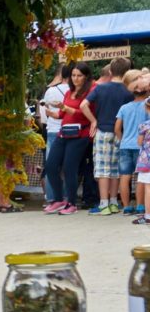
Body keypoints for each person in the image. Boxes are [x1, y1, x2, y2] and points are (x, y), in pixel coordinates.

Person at [83, 58, 134, 214]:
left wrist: (93, 120)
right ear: (127, 72)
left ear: (110, 71)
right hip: (121, 134)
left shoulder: (100, 88)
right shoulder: (128, 91)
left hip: (102, 132)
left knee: (103, 169)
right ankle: (113, 201)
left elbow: (83, 105)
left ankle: (103, 203)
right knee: (116, 170)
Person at [43, 62, 95, 215]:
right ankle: (58, 200)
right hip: (63, 132)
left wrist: (65, 108)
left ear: (86, 77)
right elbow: (62, 114)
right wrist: (52, 113)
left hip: (80, 134)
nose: (76, 78)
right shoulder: (68, 92)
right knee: (51, 166)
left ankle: (71, 203)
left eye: (79, 75)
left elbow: (84, 114)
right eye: (73, 75)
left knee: (69, 168)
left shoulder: (90, 92)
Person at [114, 71, 147, 214]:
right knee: (141, 176)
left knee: (125, 176)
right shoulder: (147, 105)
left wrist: (123, 139)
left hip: (125, 145)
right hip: (142, 146)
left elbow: (117, 128)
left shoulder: (124, 107)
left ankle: (126, 206)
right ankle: (140, 205)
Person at [38, 64, 71, 208]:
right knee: (68, 167)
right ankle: (68, 198)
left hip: (52, 130)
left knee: (51, 166)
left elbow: (44, 115)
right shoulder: (75, 91)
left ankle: (52, 198)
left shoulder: (50, 91)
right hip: (70, 130)